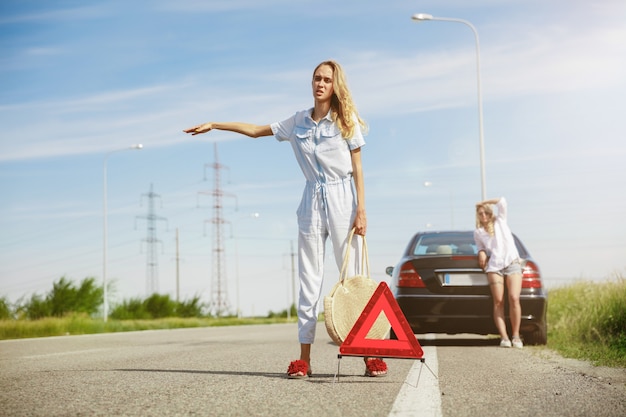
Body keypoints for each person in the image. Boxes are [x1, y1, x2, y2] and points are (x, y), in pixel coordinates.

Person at [184, 60, 388, 377]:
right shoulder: (297, 122)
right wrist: (215, 124)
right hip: (311, 201)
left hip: (343, 200)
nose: (319, 83)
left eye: (326, 79)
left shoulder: (345, 121)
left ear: (336, 85)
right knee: (308, 280)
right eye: (316, 78)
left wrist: (361, 210)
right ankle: (304, 359)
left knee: (355, 277)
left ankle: (369, 354)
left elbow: (358, 168)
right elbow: (255, 131)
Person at [474, 197, 524, 349]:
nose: (483, 216)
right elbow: (480, 246)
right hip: (494, 267)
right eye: (480, 213)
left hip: (512, 263)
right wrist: (481, 252)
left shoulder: (501, 221)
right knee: (498, 302)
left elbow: (502, 201)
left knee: (514, 298)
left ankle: (516, 336)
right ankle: (504, 338)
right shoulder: (478, 232)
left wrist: (484, 202)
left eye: (485, 213)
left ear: (490, 213)